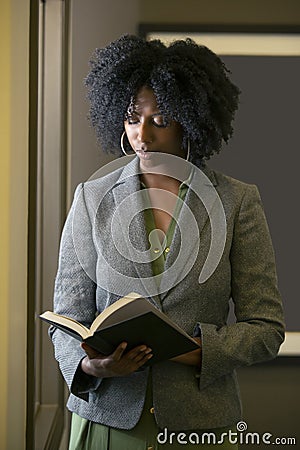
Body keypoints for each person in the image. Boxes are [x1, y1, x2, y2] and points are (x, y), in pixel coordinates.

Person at [50, 35, 285, 449]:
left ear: (192, 121)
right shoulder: (91, 199)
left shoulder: (237, 202)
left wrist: (180, 349)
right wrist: (94, 366)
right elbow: (67, 322)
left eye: (160, 120)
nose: (142, 135)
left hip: (202, 427)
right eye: (131, 118)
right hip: (108, 423)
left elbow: (265, 330)